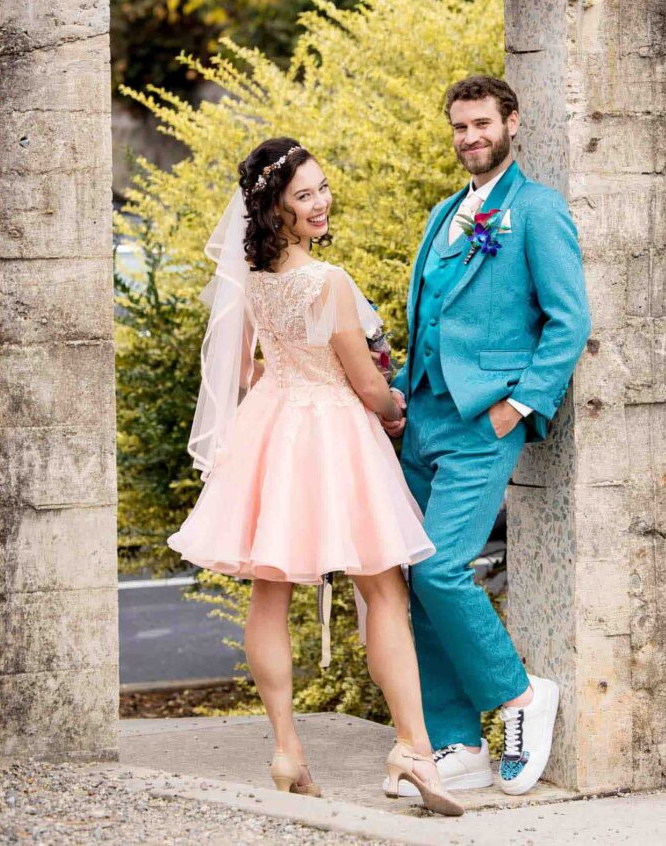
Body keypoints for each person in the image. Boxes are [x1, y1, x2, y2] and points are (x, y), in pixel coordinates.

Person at [167, 138, 461, 817]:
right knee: (383, 588)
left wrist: (289, 377)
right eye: (304, 194)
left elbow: (241, 371)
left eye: (322, 187)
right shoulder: (326, 280)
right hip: (333, 433)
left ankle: (285, 748)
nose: (321, 201)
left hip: (272, 431)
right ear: (275, 207)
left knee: (267, 593)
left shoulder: (251, 279)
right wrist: (396, 408)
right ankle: (412, 748)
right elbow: (365, 384)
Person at [383, 75, 590, 797]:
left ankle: (519, 695)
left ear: (511, 122)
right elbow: (428, 314)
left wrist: (519, 405)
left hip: (483, 419)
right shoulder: (445, 211)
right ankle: (457, 743)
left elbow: (568, 321)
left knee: (440, 567)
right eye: (458, 127)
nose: (469, 137)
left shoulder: (536, 211)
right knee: (410, 573)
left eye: (480, 124)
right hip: (421, 417)